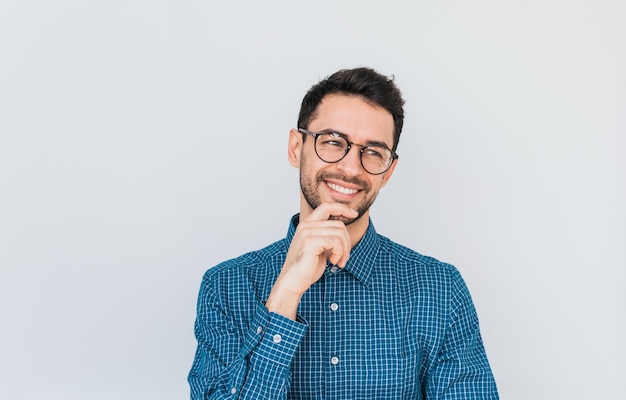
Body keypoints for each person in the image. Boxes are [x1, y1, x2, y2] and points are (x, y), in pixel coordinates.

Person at [188, 67, 499, 399]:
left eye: (373, 152)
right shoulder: (225, 286)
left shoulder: (440, 289)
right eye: (333, 142)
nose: (351, 168)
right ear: (296, 147)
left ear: (389, 171)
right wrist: (285, 295)